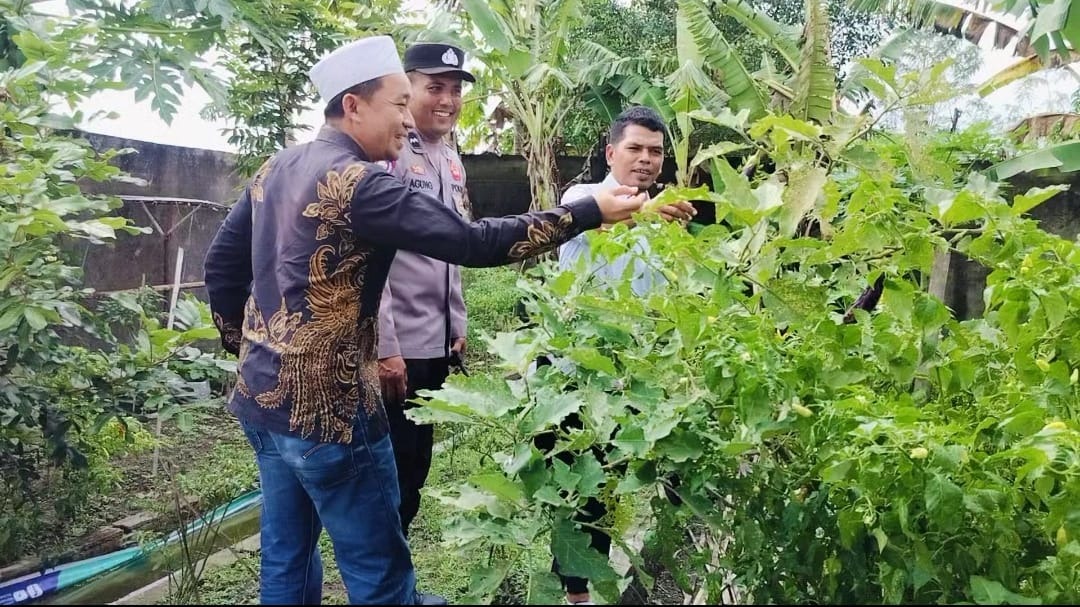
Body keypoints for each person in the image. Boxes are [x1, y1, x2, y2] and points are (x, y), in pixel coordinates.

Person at [203, 35, 693, 606]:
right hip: (332, 411)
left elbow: (222, 265)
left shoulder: (278, 165)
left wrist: (253, 349)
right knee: (378, 569)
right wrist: (585, 210)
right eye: (397, 103)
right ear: (353, 106)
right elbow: (470, 242)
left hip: (262, 401)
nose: (408, 119)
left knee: (286, 555)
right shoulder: (364, 183)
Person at [540, 105, 689, 606]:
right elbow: (604, 220)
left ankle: (653, 570)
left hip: (635, 375)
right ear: (611, 153)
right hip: (578, 378)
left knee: (624, 484)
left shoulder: (665, 216)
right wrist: (648, 212)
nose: (646, 160)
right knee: (583, 491)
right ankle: (576, 596)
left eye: (655, 151)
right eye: (635, 149)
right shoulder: (581, 197)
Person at [376, 42, 475, 538]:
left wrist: (457, 320)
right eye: (435, 87)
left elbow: (452, 250)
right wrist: (385, 346)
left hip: (435, 341)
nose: (448, 100)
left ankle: (396, 575)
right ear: (406, 87)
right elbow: (376, 260)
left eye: (455, 90)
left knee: (415, 465)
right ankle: (385, 581)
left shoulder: (452, 160)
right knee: (392, 472)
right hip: (399, 348)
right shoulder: (390, 154)